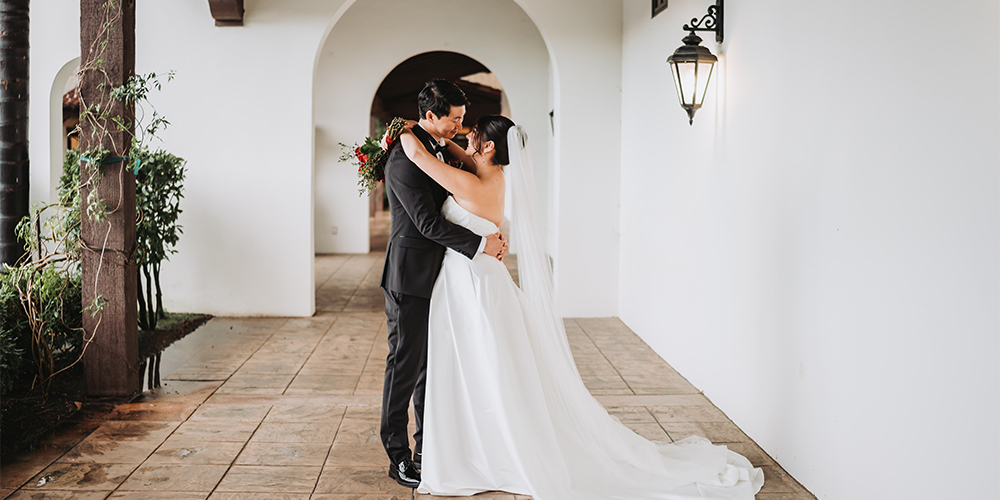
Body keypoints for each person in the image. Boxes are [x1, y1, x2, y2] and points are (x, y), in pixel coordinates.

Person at [395, 114, 765, 499]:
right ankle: (478, 443)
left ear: (488, 147)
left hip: (472, 283)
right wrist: (443, 137)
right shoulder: (491, 175)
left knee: (480, 364)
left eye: (473, 136)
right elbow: (459, 154)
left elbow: (421, 159)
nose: (465, 139)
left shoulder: (473, 183)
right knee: (486, 365)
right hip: (480, 278)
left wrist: (404, 132)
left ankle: (486, 451)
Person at [379, 80, 508, 489]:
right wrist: (481, 244)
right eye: (453, 119)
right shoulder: (403, 158)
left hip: (439, 273)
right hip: (410, 274)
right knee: (405, 364)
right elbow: (427, 223)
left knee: (428, 367)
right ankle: (398, 456)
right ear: (431, 115)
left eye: (462, 118)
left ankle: (426, 448)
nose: (460, 125)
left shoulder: (431, 145)